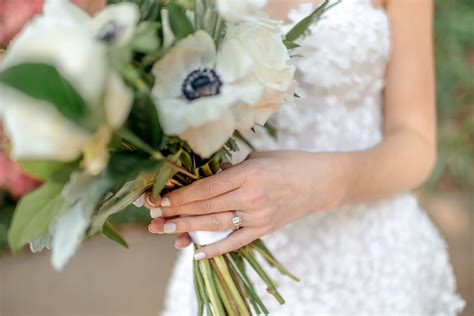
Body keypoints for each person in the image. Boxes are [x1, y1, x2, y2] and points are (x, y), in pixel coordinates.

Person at [145, 0, 465, 314]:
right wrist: (164, 176)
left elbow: (417, 142)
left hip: (373, 261)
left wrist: (322, 184)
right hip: (231, 259)